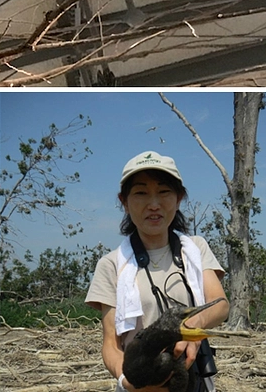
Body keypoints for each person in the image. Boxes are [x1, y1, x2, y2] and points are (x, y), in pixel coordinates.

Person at [85, 151, 230, 392]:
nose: (154, 204)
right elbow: (111, 344)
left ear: (179, 197)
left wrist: (194, 326)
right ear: (124, 201)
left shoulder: (196, 249)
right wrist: (129, 382)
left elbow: (220, 305)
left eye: (164, 192)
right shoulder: (111, 264)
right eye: (141, 193)